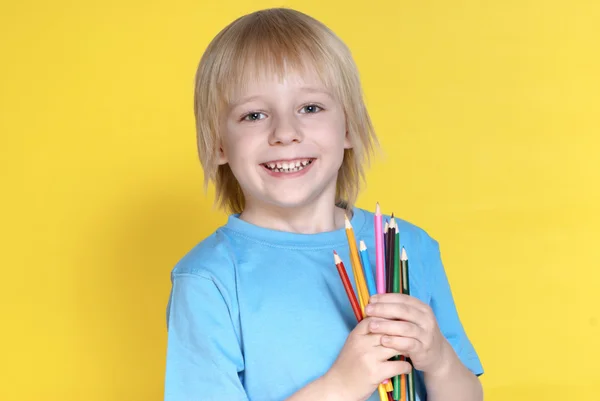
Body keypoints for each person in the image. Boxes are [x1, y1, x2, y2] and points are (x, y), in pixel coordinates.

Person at [164, 7, 483, 401]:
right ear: (218, 143)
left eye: (310, 108)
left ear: (349, 126)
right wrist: (342, 385)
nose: (285, 133)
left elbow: (468, 394)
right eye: (254, 114)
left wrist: (439, 359)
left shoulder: (409, 247)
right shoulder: (208, 280)